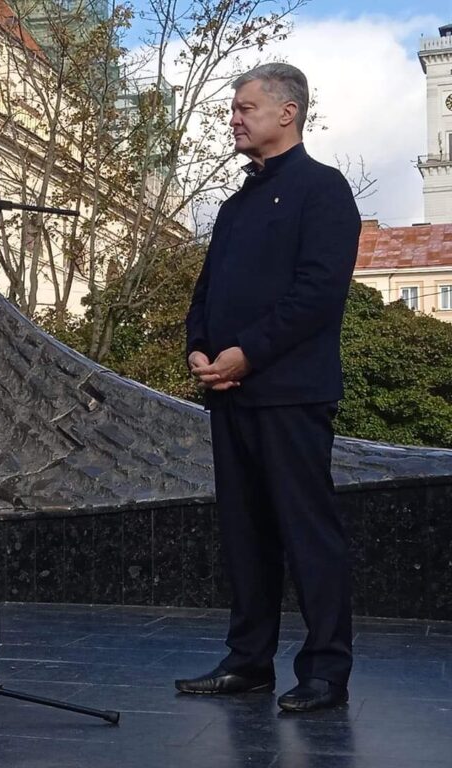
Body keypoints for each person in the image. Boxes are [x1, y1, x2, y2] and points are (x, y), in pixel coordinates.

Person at [175, 63, 360, 713]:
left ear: (288, 112)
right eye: (233, 109)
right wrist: (199, 345)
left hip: (291, 392)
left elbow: (317, 293)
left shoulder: (323, 189)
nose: (234, 119)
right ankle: (248, 661)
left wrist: (247, 354)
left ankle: (326, 670)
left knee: (307, 533)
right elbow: (206, 291)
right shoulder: (235, 204)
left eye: (245, 108)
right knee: (245, 533)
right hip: (230, 391)